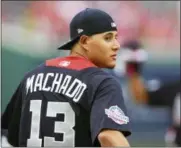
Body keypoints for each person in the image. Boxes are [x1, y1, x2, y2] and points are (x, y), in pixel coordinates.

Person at [1, 8, 131, 147]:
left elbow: (7, 137)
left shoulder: (32, 76)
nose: (116, 45)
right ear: (85, 41)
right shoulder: (102, 83)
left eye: (116, 38)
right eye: (108, 38)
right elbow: (109, 136)